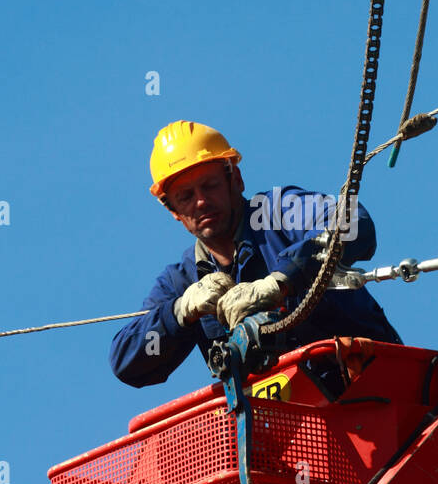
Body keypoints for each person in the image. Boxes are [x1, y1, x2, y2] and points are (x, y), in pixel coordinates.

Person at [109, 120, 402, 388]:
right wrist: (180, 312)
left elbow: (353, 224)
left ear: (235, 180)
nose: (200, 201)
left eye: (209, 185)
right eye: (185, 196)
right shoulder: (182, 280)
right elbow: (127, 361)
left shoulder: (278, 213)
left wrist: (281, 281)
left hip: (376, 389)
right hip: (291, 425)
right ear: (173, 211)